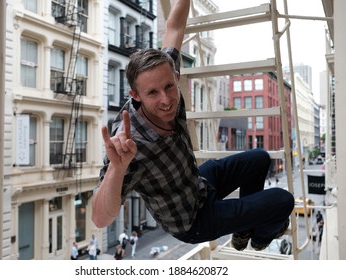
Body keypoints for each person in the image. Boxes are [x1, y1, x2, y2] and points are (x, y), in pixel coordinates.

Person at [92, 0, 294, 252]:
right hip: (192, 221)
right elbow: (100, 218)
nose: (166, 100)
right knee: (283, 201)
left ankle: (243, 231)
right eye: (152, 93)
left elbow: (175, 27)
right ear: (135, 95)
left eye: (168, 86)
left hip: (197, 184)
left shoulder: (163, 68)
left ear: (175, 76)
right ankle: (261, 237)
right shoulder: (130, 142)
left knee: (260, 159)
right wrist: (117, 169)